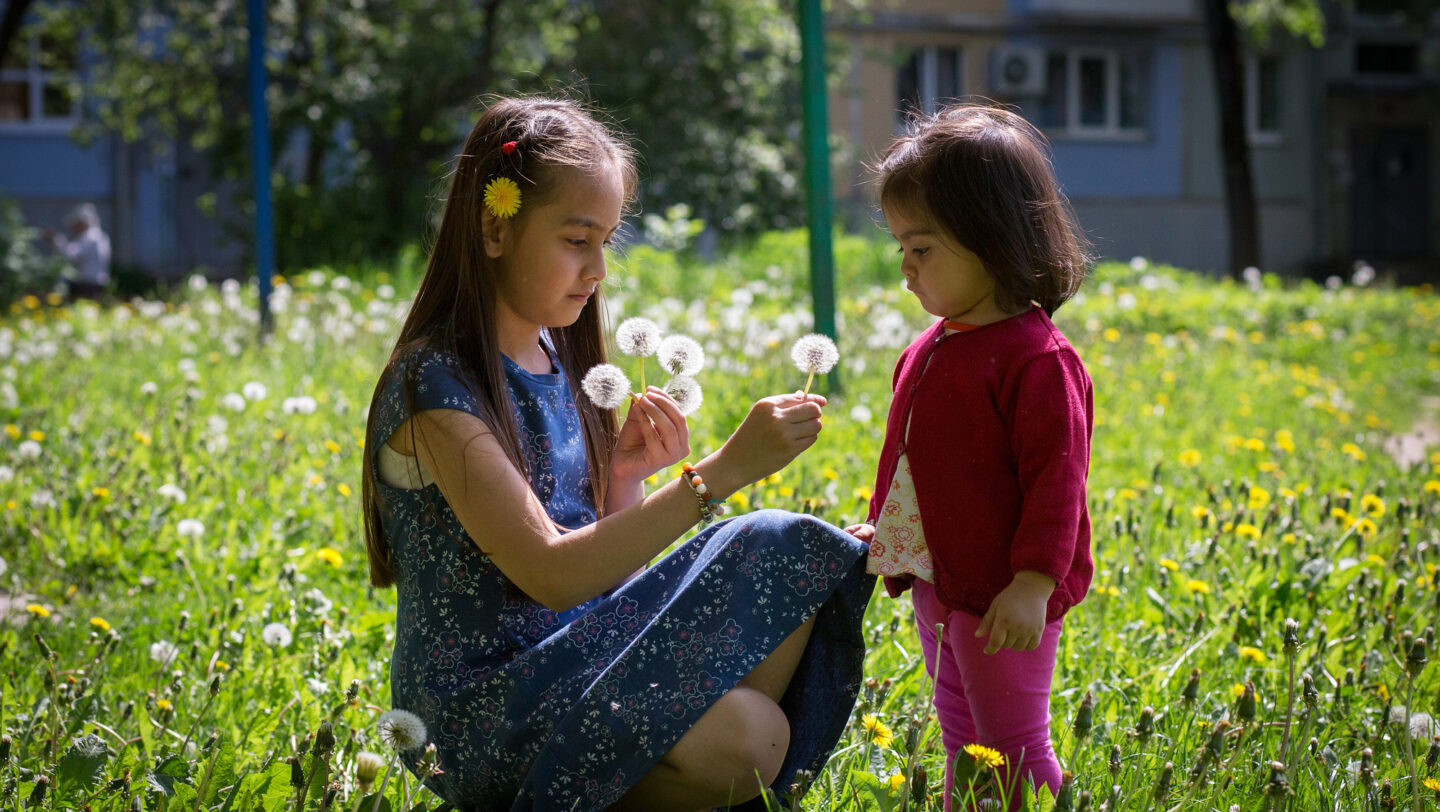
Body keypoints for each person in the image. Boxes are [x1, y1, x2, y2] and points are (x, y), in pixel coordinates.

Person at [360, 96, 873, 812]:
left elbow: (604, 582)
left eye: (606, 240)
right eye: (577, 240)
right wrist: (719, 474)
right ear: (494, 227)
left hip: (577, 661)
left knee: (795, 557)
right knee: (747, 733)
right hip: (483, 711)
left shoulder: (554, 357)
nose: (598, 267)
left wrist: (625, 480)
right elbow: (549, 572)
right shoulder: (436, 384)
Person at [845, 103, 1094, 809]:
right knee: (961, 737)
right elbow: (916, 454)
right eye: (900, 249)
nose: (906, 271)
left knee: (1014, 745)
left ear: (993, 237)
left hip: (1005, 596)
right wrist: (888, 530)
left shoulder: (1036, 360)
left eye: (921, 249)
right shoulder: (934, 344)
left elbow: (1058, 485)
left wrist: (1034, 583)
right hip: (940, 582)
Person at [45, 203, 111, 300]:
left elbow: (71, 254)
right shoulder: (100, 236)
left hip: (87, 284)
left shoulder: (90, 237)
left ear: (82, 222)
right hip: (96, 283)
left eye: (76, 224)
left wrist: (55, 241)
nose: (74, 228)